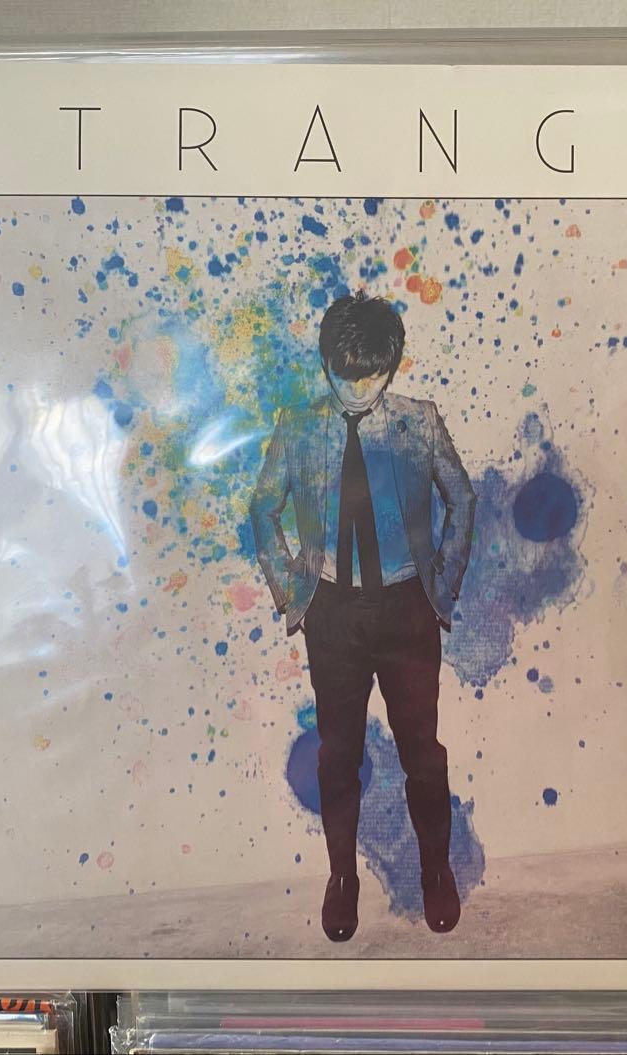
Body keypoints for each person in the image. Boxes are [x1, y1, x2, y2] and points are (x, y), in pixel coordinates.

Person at [250, 290, 476, 942]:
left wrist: (442, 586)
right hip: (332, 612)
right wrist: (292, 591)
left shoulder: (418, 422)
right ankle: (342, 877)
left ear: (392, 367)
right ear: (325, 364)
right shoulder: (298, 427)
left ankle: (436, 867)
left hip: (407, 610)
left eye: (371, 376)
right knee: (338, 754)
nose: (356, 389)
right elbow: (263, 510)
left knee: (422, 752)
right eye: (343, 375)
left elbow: (461, 500)